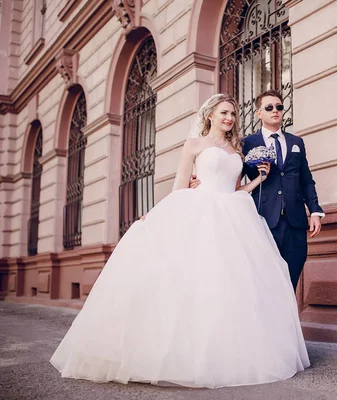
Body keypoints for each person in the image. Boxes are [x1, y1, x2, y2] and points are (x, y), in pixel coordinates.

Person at [49, 94, 310, 389]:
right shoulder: (194, 145)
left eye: (233, 114)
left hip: (234, 213)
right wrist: (155, 214)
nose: (229, 118)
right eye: (224, 112)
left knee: (230, 284)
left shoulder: (236, 148)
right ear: (209, 114)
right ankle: (180, 353)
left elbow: (236, 188)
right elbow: (180, 186)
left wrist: (258, 180)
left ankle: (223, 352)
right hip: (201, 212)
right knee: (193, 283)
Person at [190, 90, 324, 290]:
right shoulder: (245, 144)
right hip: (262, 220)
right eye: (269, 107)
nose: (275, 111)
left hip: (295, 221)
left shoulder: (297, 143)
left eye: (279, 107)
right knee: (266, 278)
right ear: (259, 113)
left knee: (293, 274)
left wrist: (314, 211)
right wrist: (200, 181)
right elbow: (231, 177)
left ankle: (286, 321)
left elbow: (306, 180)